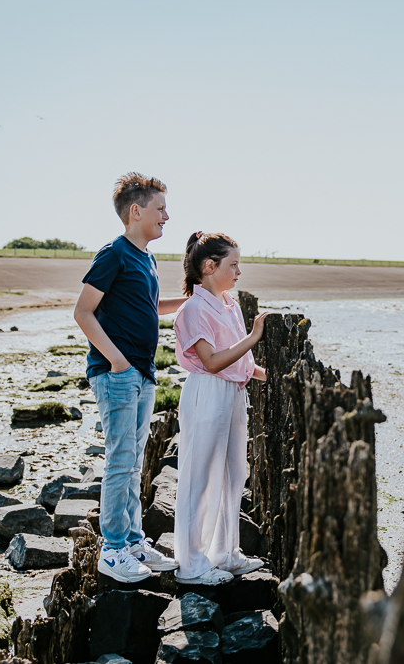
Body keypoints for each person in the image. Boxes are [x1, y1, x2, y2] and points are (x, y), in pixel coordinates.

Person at [73, 172, 186, 583]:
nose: (167, 217)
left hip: (144, 373)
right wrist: (118, 362)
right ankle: (113, 550)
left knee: (134, 462)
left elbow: (151, 306)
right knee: (121, 462)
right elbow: (83, 312)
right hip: (118, 374)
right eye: (160, 209)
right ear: (135, 212)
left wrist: (193, 298)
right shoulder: (115, 253)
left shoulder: (147, 258)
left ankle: (135, 541)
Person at [173, 231, 269, 585]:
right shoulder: (193, 308)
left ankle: (225, 553)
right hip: (207, 393)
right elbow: (212, 362)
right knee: (200, 475)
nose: (239, 271)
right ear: (210, 267)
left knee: (232, 472)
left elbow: (238, 362)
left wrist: (266, 375)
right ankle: (191, 564)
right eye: (234, 264)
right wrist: (253, 338)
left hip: (231, 392)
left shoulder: (229, 303)